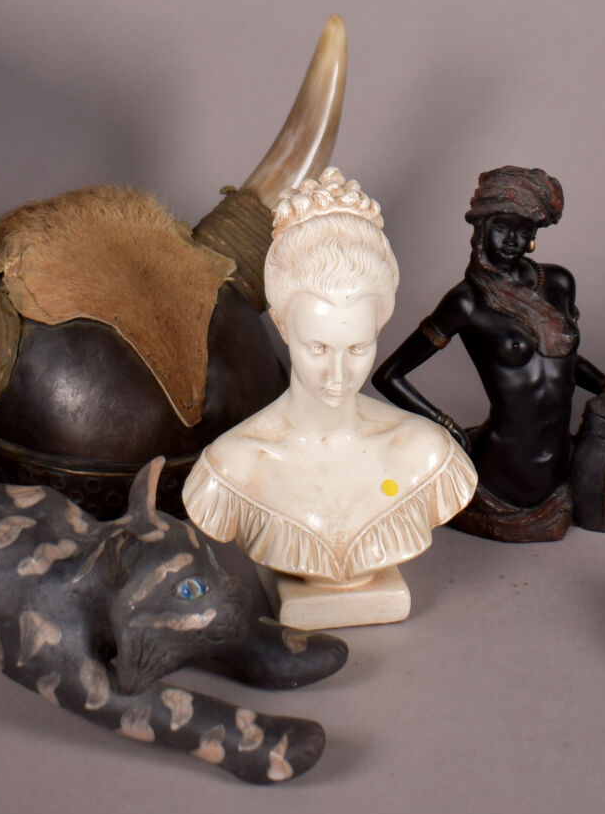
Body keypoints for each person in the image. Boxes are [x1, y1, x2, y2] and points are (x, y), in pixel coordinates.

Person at [181, 168, 476, 626]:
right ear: (283, 327)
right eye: (317, 348)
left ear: (379, 328)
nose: (338, 375)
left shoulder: (427, 454)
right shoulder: (233, 467)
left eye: (358, 348)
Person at [372, 166, 605, 542]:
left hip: (561, 472)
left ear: (534, 236)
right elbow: (389, 376)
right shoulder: (467, 302)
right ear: (480, 227)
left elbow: (564, 361)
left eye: (524, 230)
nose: (512, 240)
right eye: (502, 226)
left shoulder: (558, 283)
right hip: (500, 474)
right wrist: (447, 427)